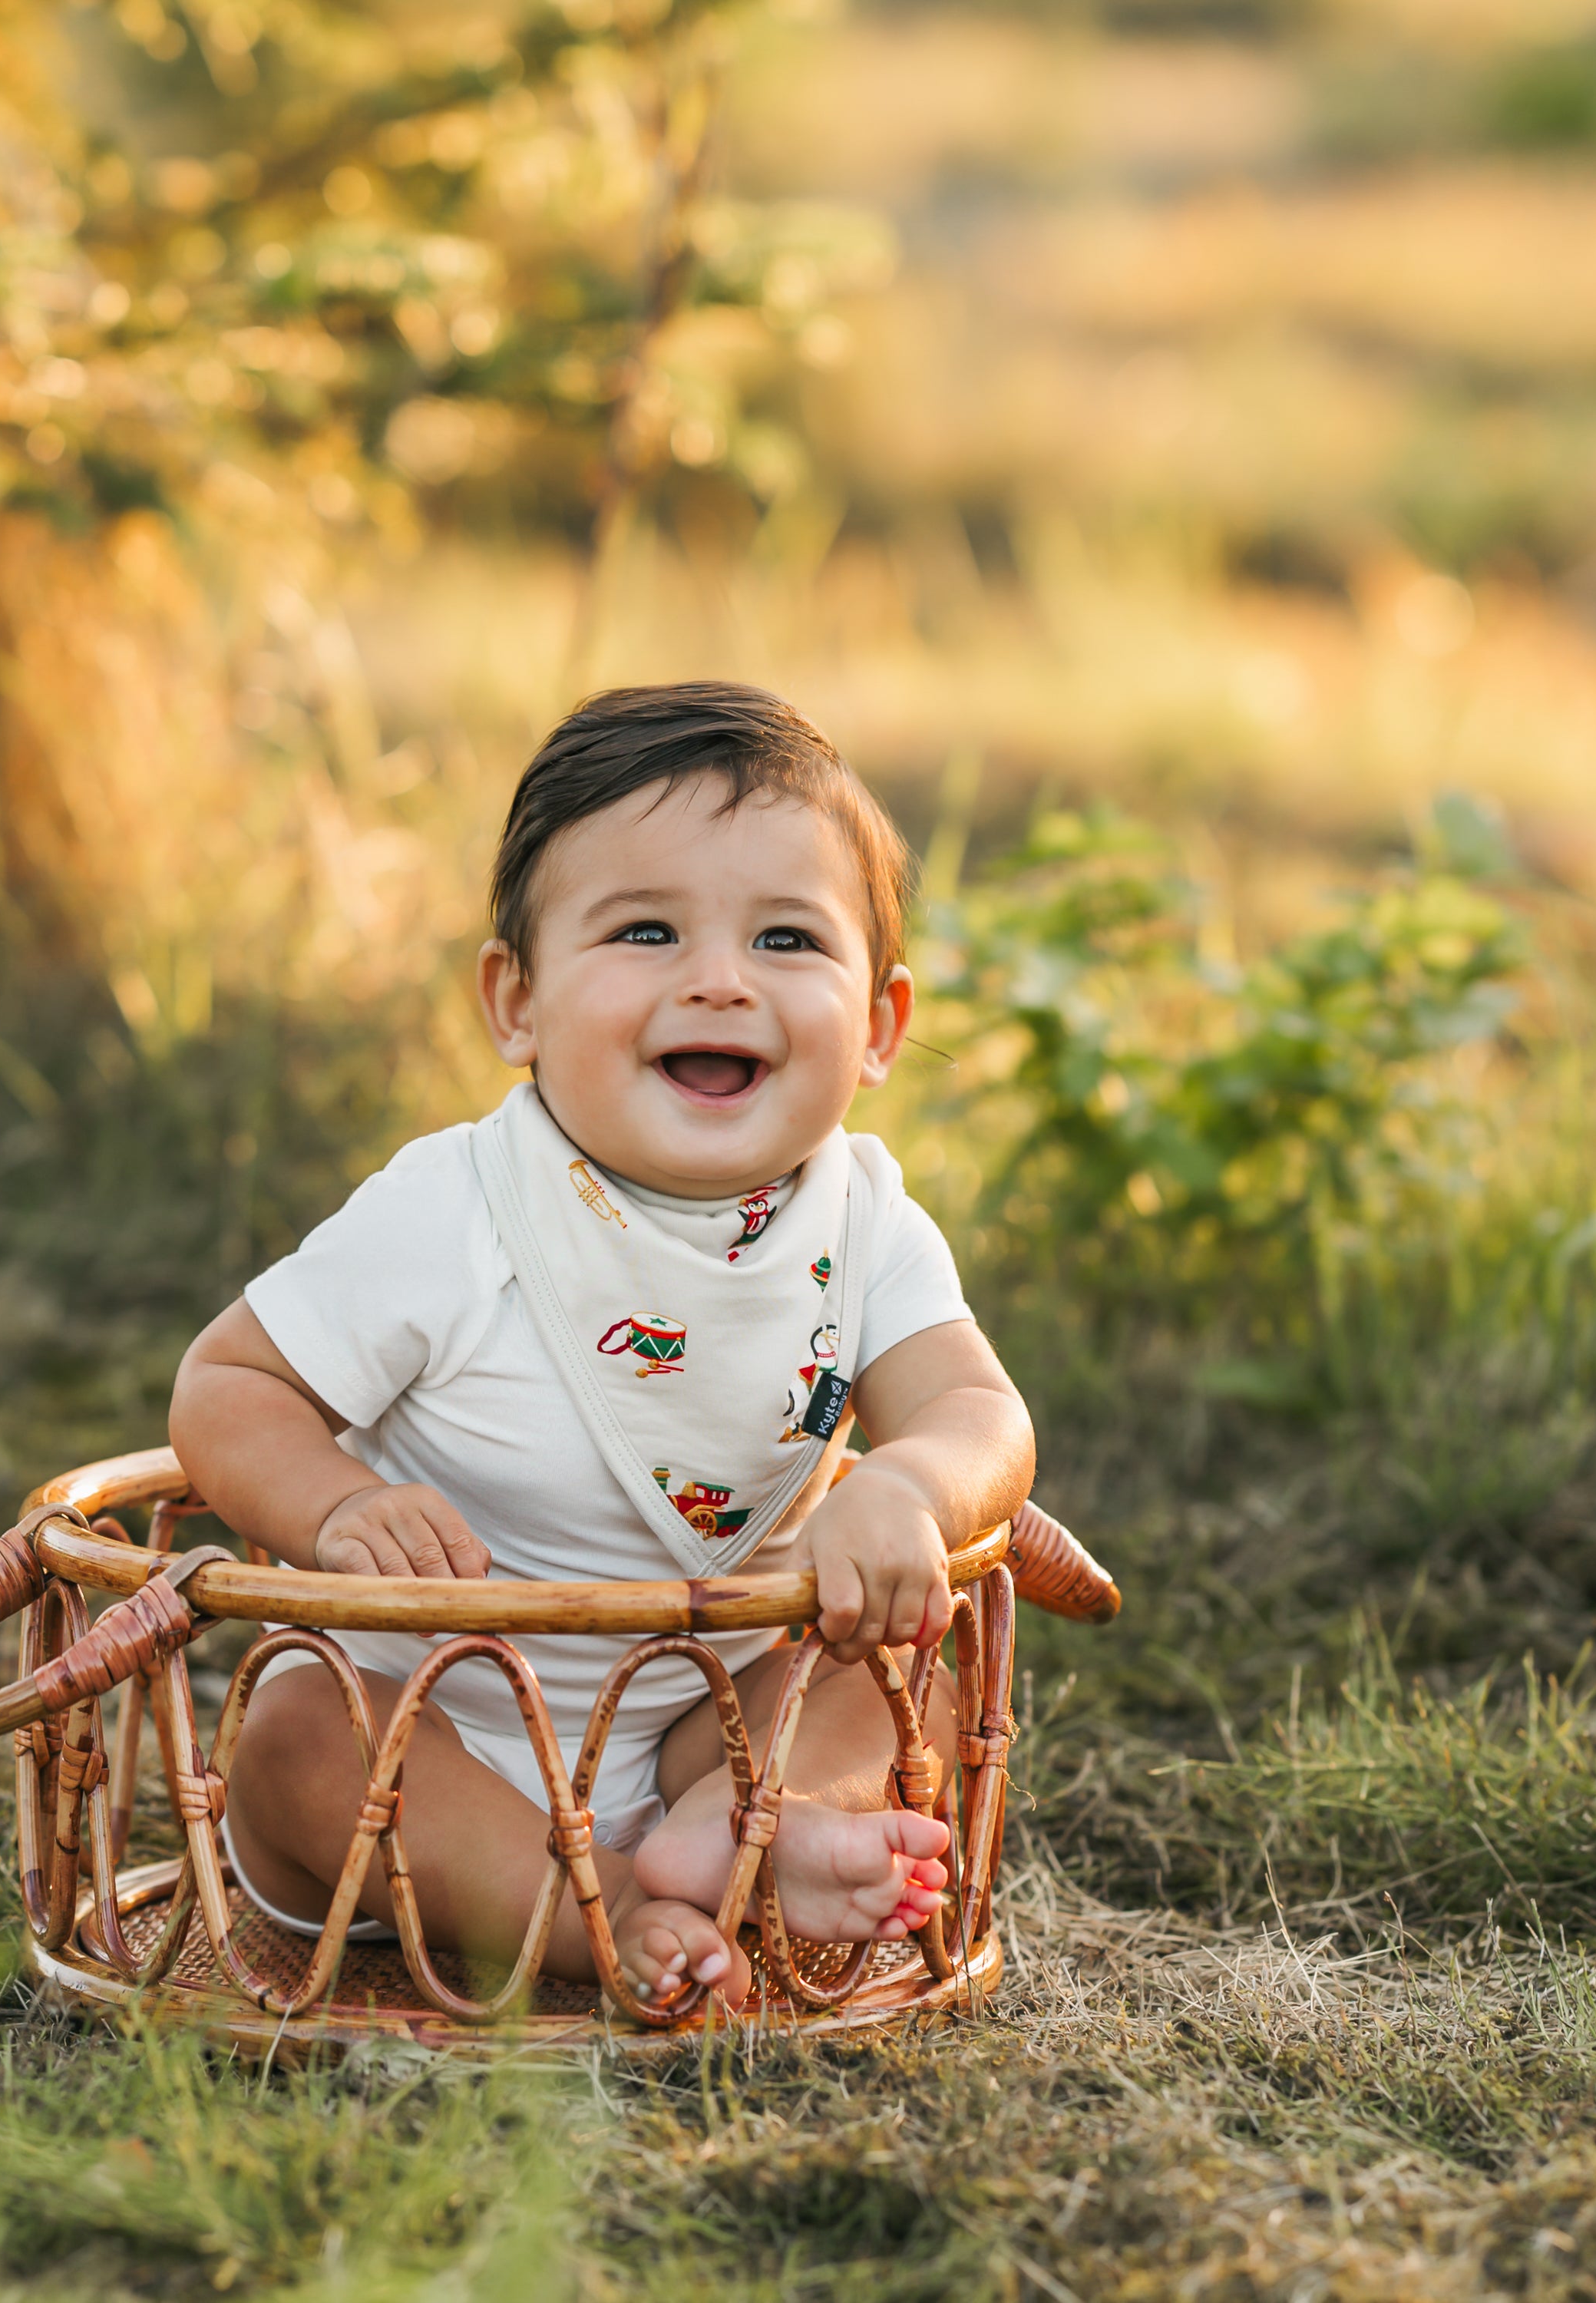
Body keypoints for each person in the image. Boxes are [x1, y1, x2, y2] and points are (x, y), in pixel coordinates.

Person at [169, 682, 1036, 2007]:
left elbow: (979, 1409)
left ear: (877, 1027)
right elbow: (226, 1388)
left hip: (712, 1710)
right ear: (514, 1004)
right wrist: (341, 1504)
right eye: (645, 930)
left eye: (789, 940)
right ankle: (601, 1910)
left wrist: (914, 1489)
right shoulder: (453, 1205)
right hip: (434, 1741)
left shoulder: (864, 1220)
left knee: (897, 1651)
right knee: (293, 1723)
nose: (719, 979)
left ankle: (748, 1818)